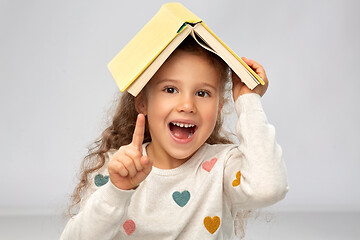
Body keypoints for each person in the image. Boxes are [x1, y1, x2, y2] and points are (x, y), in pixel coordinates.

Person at [60, 37, 289, 239]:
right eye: (170, 90)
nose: (187, 105)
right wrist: (117, 191)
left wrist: (247, 101)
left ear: (219, 107)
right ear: (142, 102)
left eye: (202, 93)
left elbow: (269, 188)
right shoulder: (118, 168)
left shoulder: (222, 168)